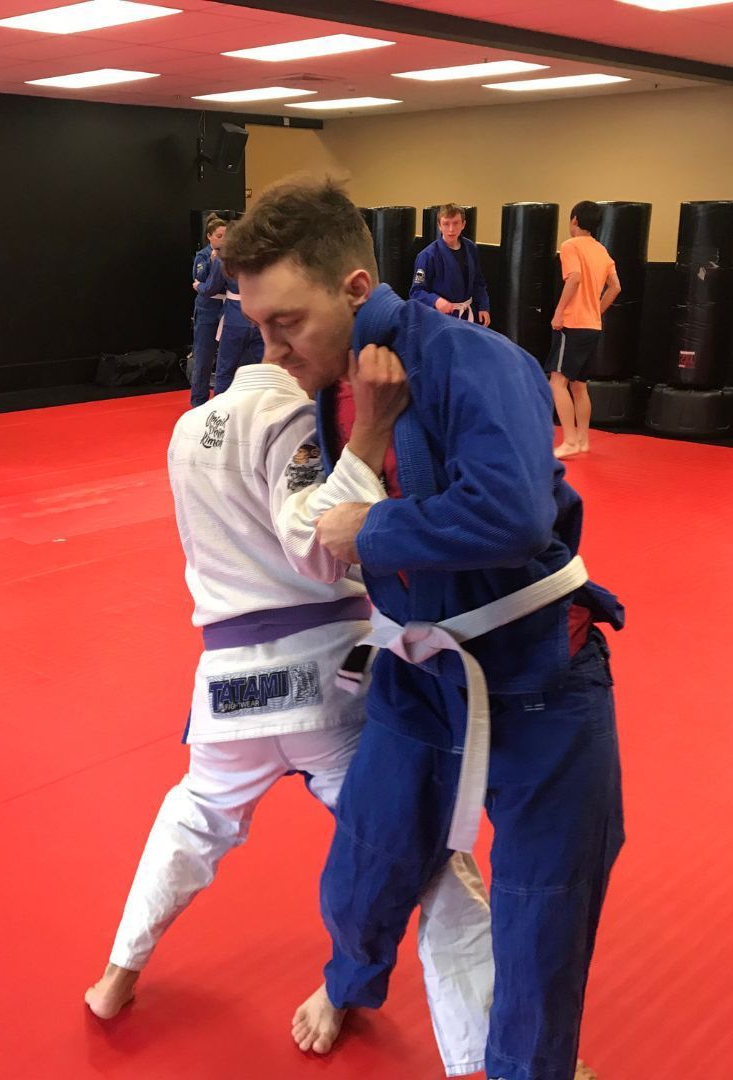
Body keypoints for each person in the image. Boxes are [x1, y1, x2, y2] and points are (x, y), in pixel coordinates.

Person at [227, 177, 624, 1080]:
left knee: (542, 908)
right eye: (260, 328)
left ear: (356, 291)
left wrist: (370, 529)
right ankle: (350, 980)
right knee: (367, 857)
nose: (273, 349)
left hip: (539, 677)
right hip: (419, 670)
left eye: (287, 322)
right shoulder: (335, 386)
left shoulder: (470, 361)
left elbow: (515, 513)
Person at [85, 358, 495, 1077]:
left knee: (194, 815)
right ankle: (483, 1055)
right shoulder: (296, 421)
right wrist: (367, 441)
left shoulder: (185, 430)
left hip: (226, 683)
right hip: (322, 679)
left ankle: (118, 972)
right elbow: (316, 552)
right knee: (424, 850)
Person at [546, 201, 621, 459]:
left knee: (557, 382)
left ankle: (568, 441)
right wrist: (596, 310)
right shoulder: (602, 250)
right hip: (591, 326)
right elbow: (615, 287)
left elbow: (575, 277)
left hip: (573, 324)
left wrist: (559, 312)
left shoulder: (570, 246)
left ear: (574, 220)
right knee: (578, 385)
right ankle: (582, 439)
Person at [410, 204, 491, 326]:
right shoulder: (427, 256)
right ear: (439, 226)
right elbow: (416, 292)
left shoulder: (470, 248)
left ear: (463, 224)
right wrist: (436, 300)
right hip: (441, 319)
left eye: (456, 223)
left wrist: (483, 306)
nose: (451, 229)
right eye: (446, 224)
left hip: (468, 314)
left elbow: (478, 282)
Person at [201, 250, 264, 395]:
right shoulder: (262, 256)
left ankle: (220, 411)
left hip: (234, 319)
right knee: (268, 368)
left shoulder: (223, 259)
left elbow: (211, 288)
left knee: (225, 370)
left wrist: (199, 286)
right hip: (259, 317)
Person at [189, 216, 227, 407]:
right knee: (203, 357)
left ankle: (223, 401)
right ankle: (198, 402)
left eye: (226, 235)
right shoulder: (203, 255)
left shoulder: (230, 255)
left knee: (227, 359)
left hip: (227, 307)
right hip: (207, 307)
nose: (223, 239)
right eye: (219, 236)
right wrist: (213, 263)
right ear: (209, 237)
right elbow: (199, 280)